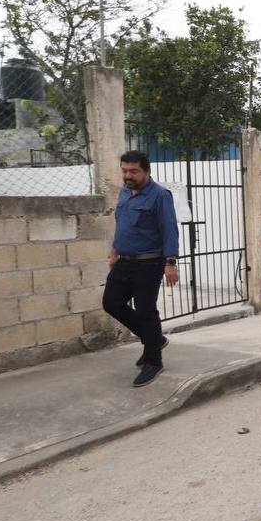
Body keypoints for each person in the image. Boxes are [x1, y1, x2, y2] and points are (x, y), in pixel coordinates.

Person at [103, 150, 179, 388]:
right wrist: (114, 250)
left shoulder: (160, 196)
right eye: (125, 171)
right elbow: (121, 224)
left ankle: (154, 361)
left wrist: (170, 263)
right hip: (124, 261)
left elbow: (169, 229)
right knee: (111, 303)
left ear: (146, 171)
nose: (128, 175)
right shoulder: (124, 192)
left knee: (146, 310)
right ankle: (154, 339)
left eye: (134, 171)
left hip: (149, 262)